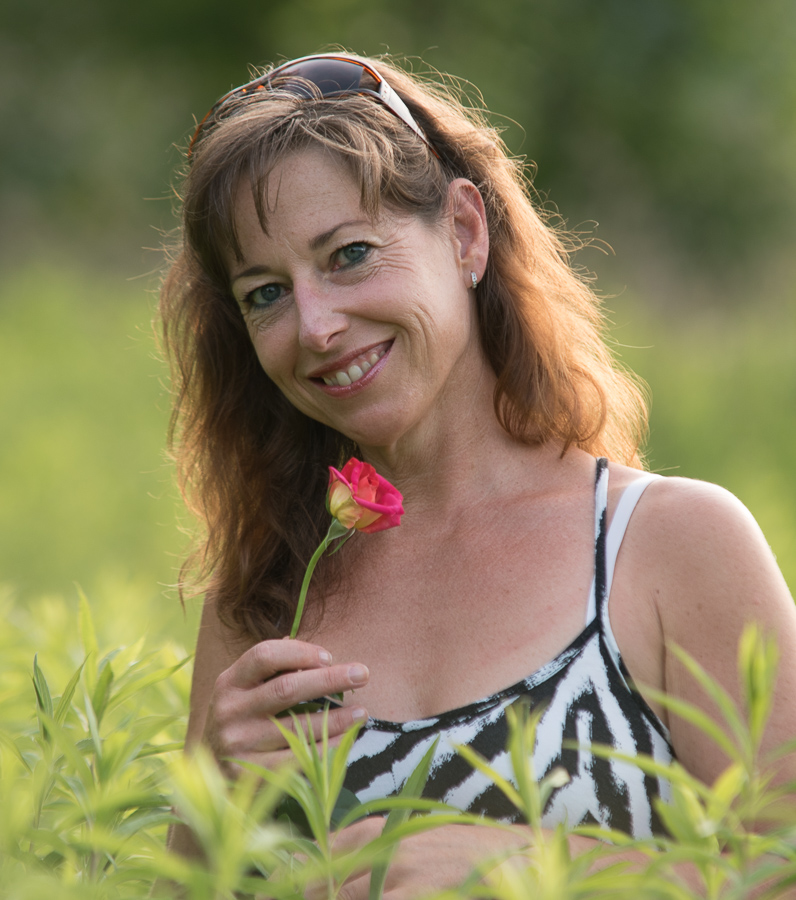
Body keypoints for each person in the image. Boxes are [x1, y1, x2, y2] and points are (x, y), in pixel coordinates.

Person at [159, 52, 796, 894]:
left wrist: (544, 867)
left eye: (349, 255)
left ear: (464, 232)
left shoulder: (670, 545)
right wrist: (207, 818)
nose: (314, 326)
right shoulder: (271, 588)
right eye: (265, 294)